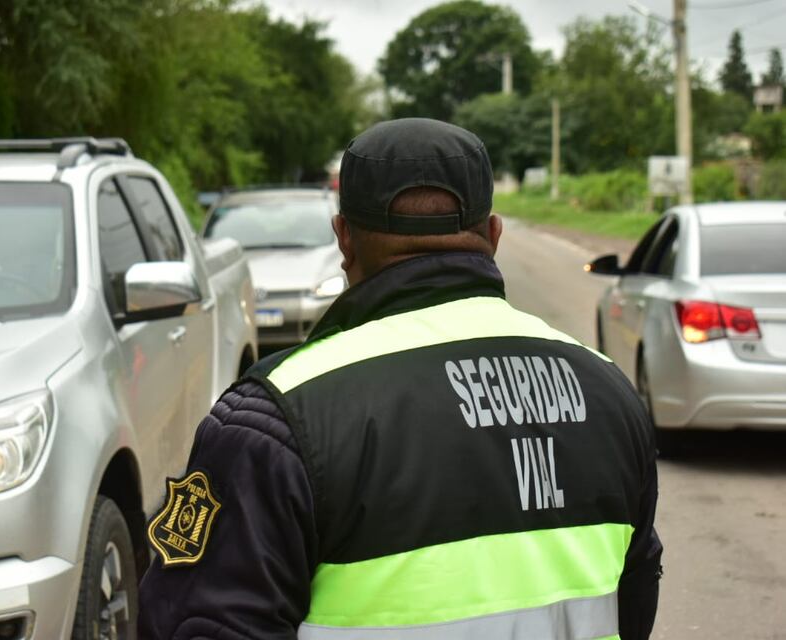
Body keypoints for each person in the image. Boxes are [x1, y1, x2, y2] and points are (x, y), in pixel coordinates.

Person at [138, 118, 663, 640]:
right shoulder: (609, 392)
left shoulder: (278, 417)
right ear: (494, 235)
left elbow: (198, 622)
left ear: (344, 239)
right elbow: (634, 600)